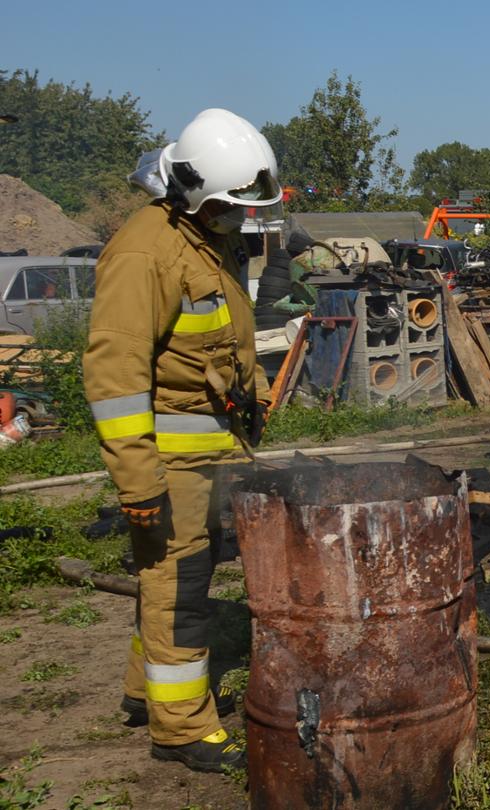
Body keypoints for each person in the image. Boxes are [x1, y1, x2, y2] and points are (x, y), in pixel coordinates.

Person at [84, 108, 279, 772]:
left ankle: (146, 694)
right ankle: (182, 729)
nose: (239, 219)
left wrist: (253, 386)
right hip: (168, 461)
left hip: (210, 451)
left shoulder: (202, 236)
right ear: (192, 187)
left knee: (168, 578)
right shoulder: (146, 251)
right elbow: (115, 375)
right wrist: (137, 482)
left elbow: (217, 329)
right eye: (229, 206)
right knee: (180, 583)